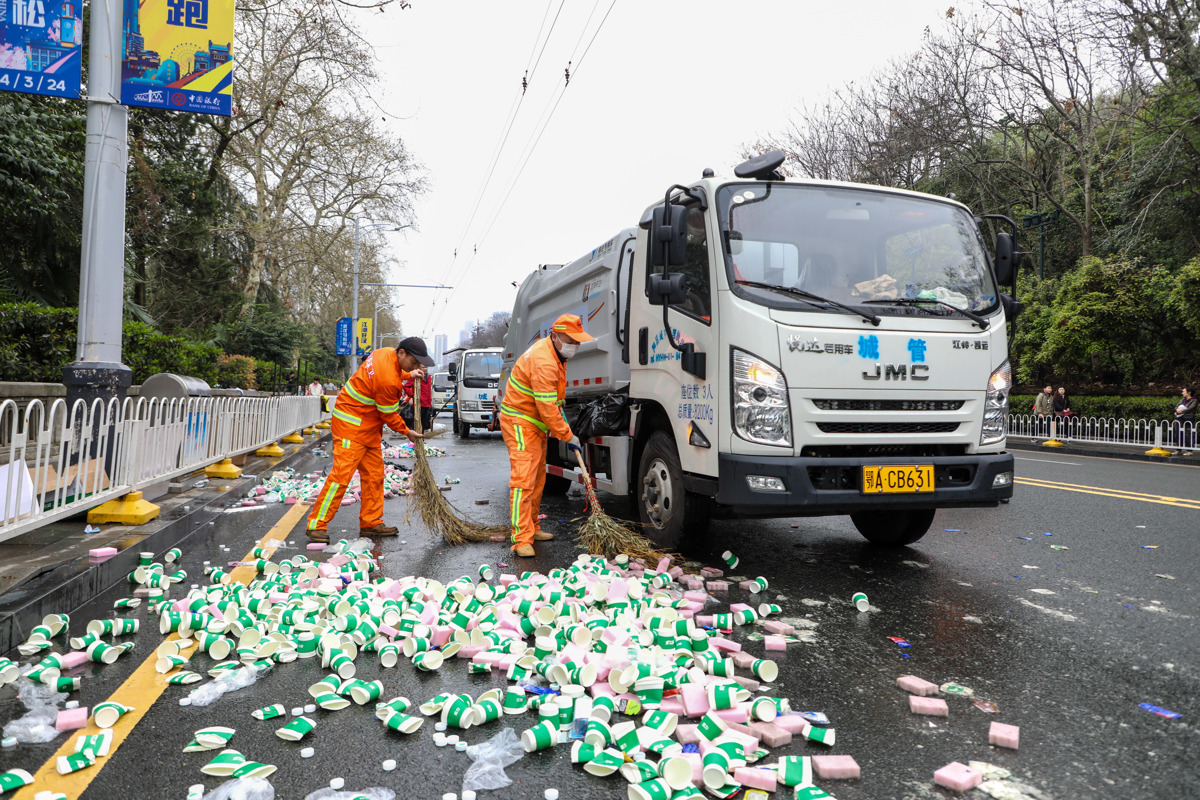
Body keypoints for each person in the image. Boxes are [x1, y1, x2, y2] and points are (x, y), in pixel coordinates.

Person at [305, 336, 435, 542]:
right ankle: (316, 524)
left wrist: (409, 373)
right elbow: (389, 415)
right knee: (341, 477)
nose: (417, 365)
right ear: (401, 353)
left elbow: (394, 371)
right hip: (351, 426)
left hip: (367, 427)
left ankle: (371, 522)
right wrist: (407, 432)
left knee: (374, 476)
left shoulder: (384, 353)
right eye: (414, 361)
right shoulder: (389, 382)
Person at [500, 313, 594, 558]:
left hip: (534, 423)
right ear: (555, 336)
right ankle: (521, 538)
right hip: (521, 422)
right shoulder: (545, 361)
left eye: (577, 341)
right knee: (524, 480)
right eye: (570, 340)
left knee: (538, 478)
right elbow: (547, 407)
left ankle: (532, 528)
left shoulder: (556, 353)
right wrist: (567, 434)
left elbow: (552, 401)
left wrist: (560, 427)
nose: (575, 345)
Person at [1173, 386, 1196, 456]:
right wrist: (1177, 410)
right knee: (1178, 433)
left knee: (1188, 434)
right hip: (1180, 418)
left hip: (1188, 419)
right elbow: (1177, 406)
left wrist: (1182, 411)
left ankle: (1189, 450)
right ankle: (1178, 449)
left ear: (1189, 392)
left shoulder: (1194, 400)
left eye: (1184, 391)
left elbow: (1191, 408)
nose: (1182, 393)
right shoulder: (1183, 400)